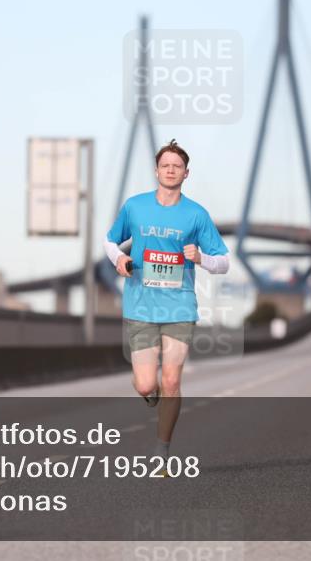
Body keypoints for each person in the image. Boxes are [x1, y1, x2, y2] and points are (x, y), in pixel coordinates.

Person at [104, 139, 230, 461]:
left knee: (172, 379)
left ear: (186, 173)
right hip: (141, 305)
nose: (170, 170)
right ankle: (150, 394)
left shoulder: (197, 214)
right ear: (157, 171)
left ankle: (162, 450)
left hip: (180, 306)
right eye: (165, 165)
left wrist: (201, 257)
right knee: (147, 385)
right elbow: (110, 242)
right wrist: (119, 259)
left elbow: (223, 262)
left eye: (177, 166)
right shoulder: (135, 206)